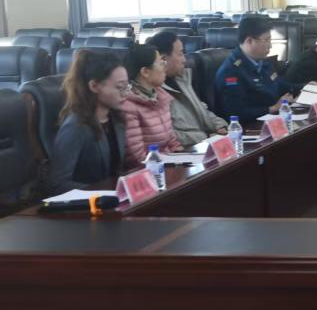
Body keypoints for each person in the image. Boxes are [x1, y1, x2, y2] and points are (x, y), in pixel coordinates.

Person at [47, 49, 129, 195]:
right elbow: (58, 184)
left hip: (113, 198)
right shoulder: (75, 126)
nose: (125, 94)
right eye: (119, 87)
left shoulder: (116, 119)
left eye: (127, 87)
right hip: (88, 203)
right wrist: (104, 193)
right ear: (94, 86)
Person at [149, 30, 227, 147]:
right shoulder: (154, 91)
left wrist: (220, 125)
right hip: (185, 150)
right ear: (164, 58)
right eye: (180, 54)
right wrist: (205, 137)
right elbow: (168, 135)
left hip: (204, 144)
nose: (184, 59)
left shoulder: (182, 79)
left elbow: (202, 110)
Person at [213, 15, 298, 121]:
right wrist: (272, 108)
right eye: (266, 40)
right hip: (248, 127)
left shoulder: (263, 61)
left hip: (271, 120)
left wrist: (305, 87)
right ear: (249, 41)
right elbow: (236, 113)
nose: (270, 46)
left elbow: (279, 85)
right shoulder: (231, 72)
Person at [119, 43, 183, 168]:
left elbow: (172, 140)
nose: (165, 67)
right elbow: (137, 158)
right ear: (145, 72)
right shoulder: (128, 106)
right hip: (149, 171)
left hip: (168, 164)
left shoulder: (161, 96)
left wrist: (182, 158)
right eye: (161, 63)